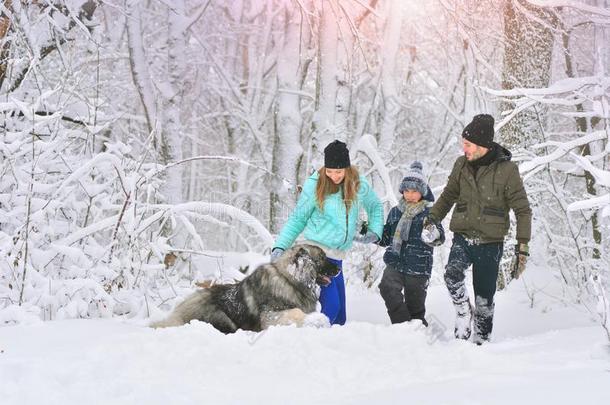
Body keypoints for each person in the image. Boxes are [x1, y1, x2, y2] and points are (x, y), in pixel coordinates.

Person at [425, 114, 532, 344]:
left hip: (490, 242)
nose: (464, 148)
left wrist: (522, 248)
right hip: (463, 236)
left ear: (482, 145)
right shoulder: (461, 164)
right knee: (452, 275)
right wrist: (432, 218)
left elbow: (523, 210)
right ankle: (463, 312)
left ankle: (482, 343)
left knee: (485, 297)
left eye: (468, 144)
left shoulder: (507, 170)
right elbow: (448, 195)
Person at [270, 140, 384, 325]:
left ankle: (331, 350)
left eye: (338, 172)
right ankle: (309, 344)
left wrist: (375, 231)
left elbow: (375, 206)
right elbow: (298, 219)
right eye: (329, 171)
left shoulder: (357, 184)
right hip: (317, 257)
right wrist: (280, 246)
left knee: (340, 317)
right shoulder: (315, 185)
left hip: (337, 257)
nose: (333, 176)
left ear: (347, 168)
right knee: (331, 309)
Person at [378, 161, 445, 326]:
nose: (410, 195)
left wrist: (432, 233)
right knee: (387, 287)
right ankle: (403, 327)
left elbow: (440, 238)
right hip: (396, 262)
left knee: (416, 310)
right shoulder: (395, 212)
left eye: (414, 191)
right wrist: (368, 231)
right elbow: (385, 237)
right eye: (406, 191)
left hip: (418, 267)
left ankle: (418, 336)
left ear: (422, 192)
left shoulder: (429, 213)